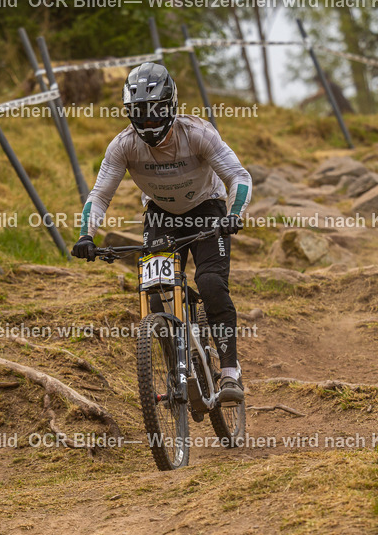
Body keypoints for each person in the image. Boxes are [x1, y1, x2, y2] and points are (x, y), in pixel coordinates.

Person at [71, 62, 252, 404]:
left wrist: (234, 215)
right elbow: (100, 195)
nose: (149, 123)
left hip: (207, 209)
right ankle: (178, 372)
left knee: (211, 283)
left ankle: (230, 372)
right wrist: (86, 236)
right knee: (156, 294)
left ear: (171, 107)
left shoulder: (197, 133)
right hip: (162, 214)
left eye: (156, 114)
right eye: (140, 115)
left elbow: (238, 177)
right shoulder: (123, 145)